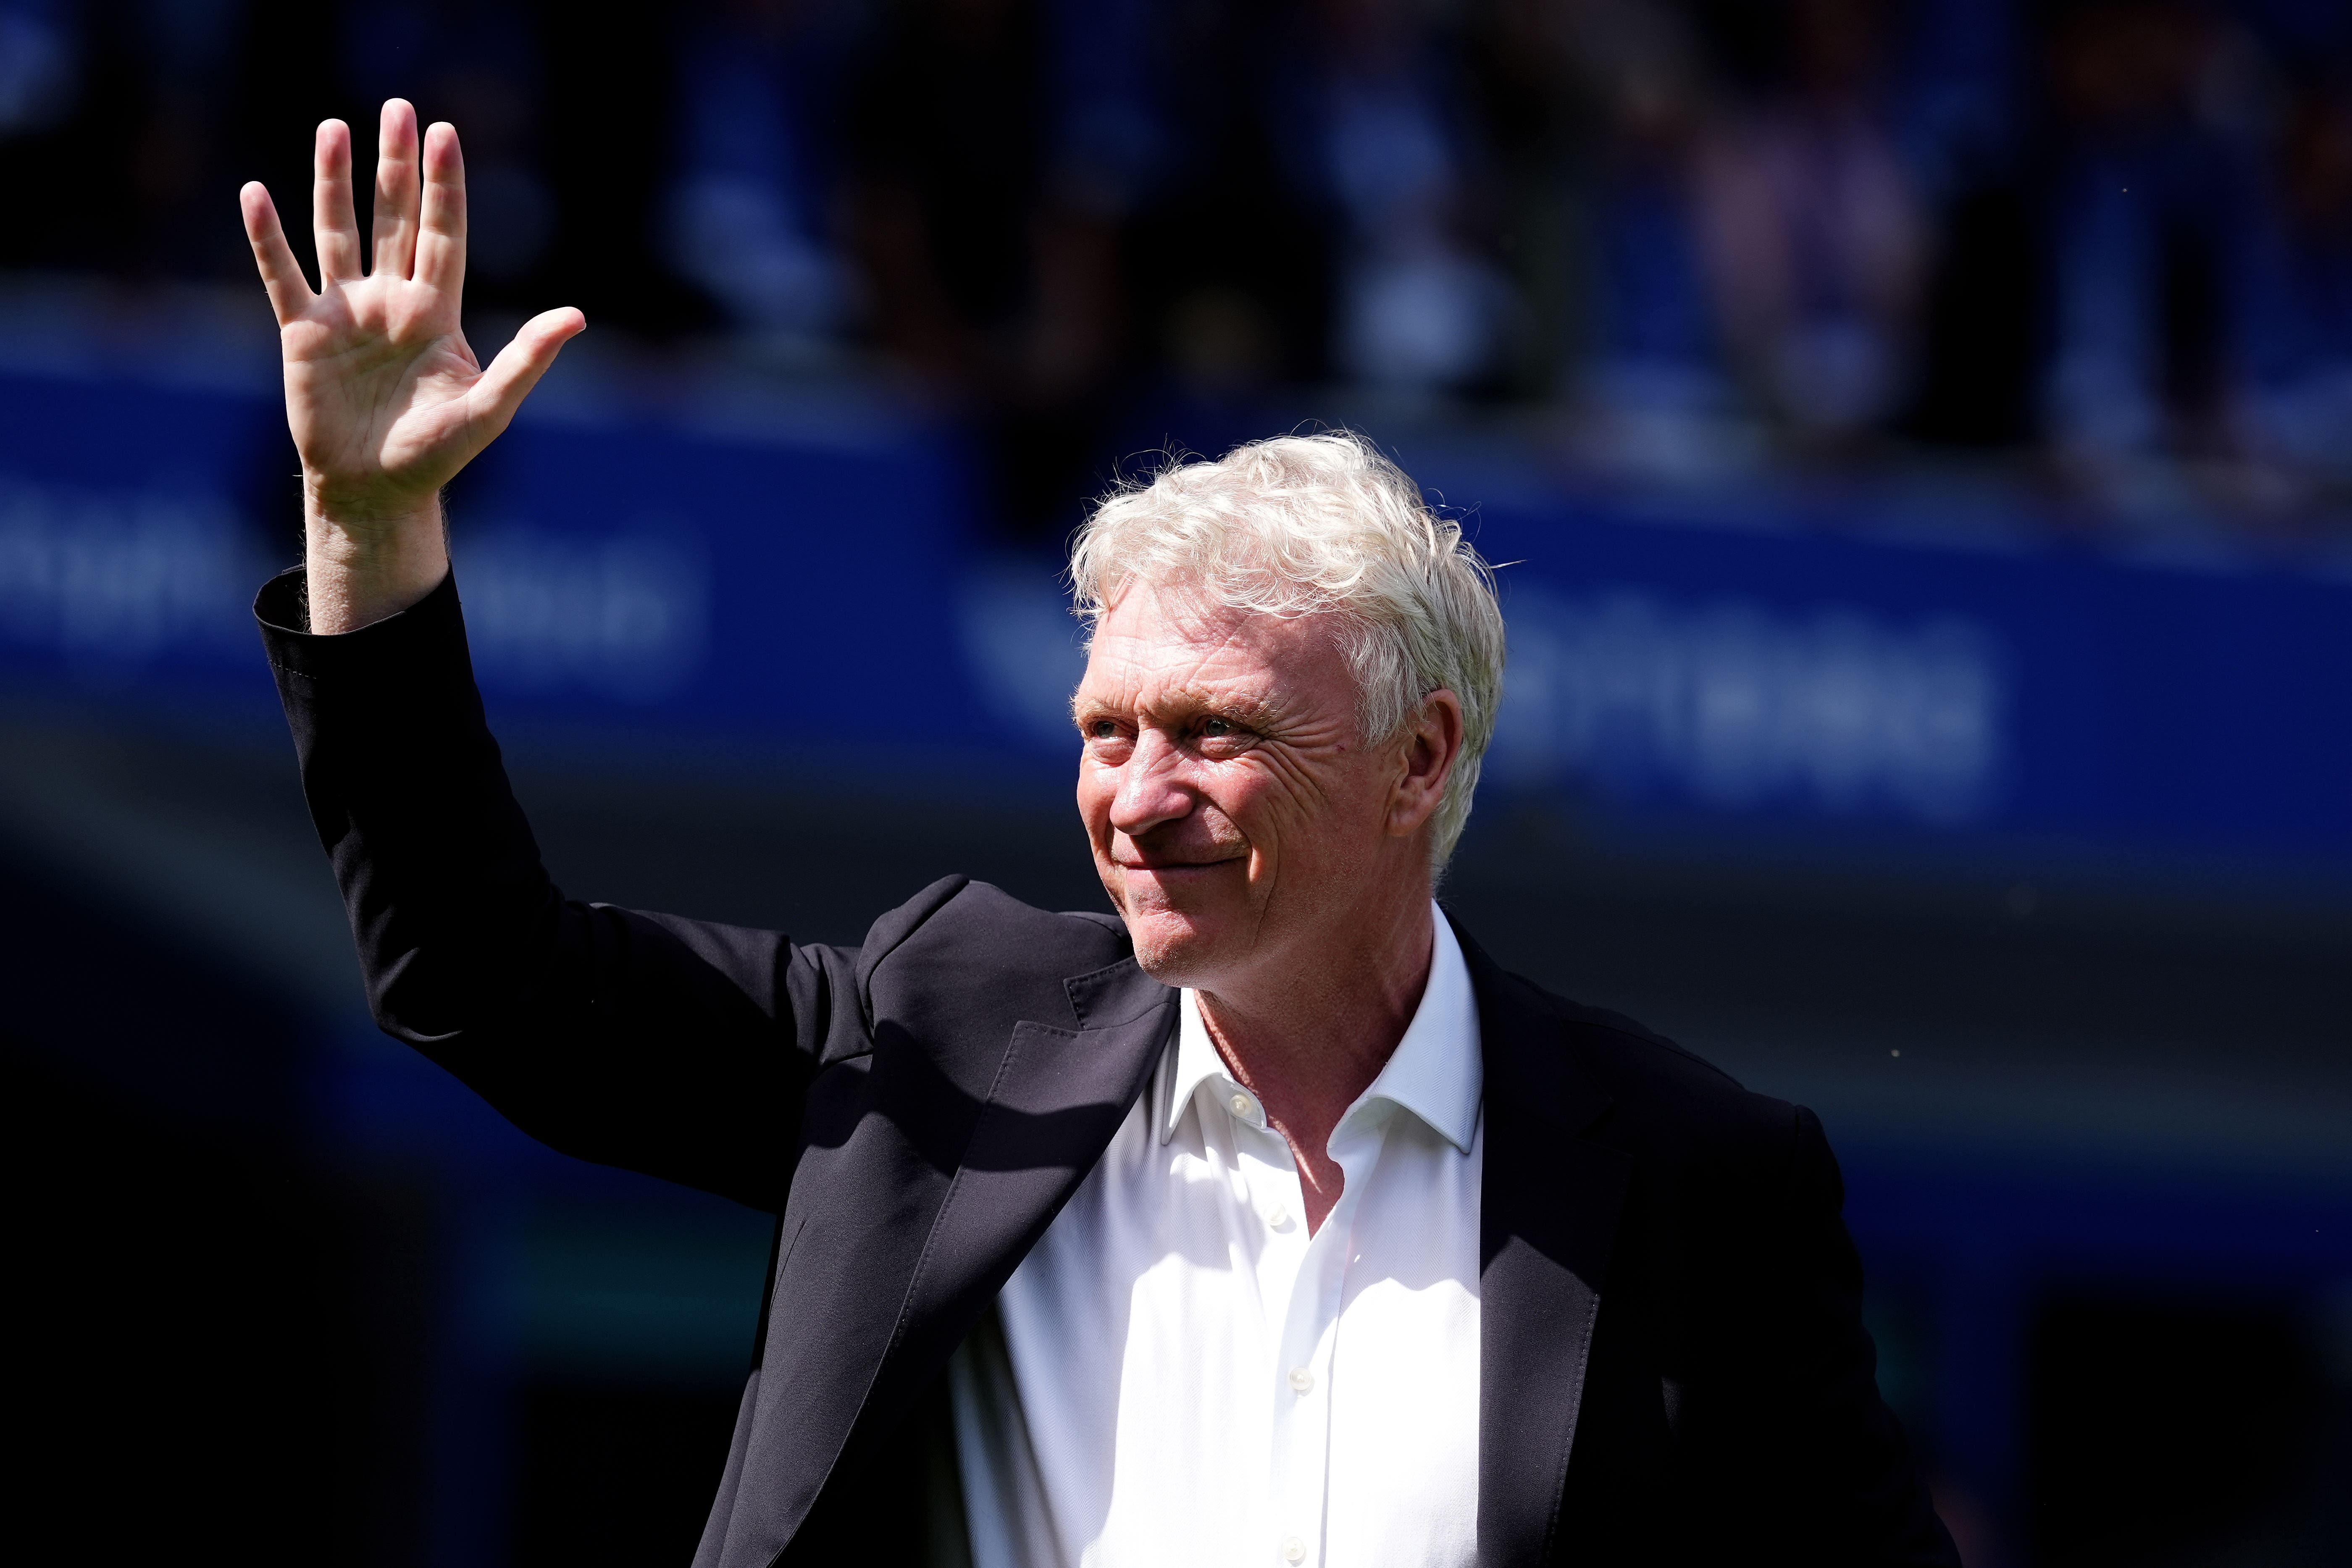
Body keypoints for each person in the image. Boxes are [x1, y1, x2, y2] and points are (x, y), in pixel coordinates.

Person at [237, 100, 1959, 1568]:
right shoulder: (939, 1037)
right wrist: (369, 528)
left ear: (1416, 759)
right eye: (1104, 731)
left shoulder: (1687, 1182)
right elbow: (481, 972)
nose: (1135, 799)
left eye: (1215, 734)